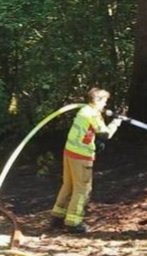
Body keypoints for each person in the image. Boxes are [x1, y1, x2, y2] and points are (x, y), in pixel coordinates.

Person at [50, 88, 122, 234]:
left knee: (68, 185)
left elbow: (89, 131)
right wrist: (116, 122)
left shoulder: (84, 111)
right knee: (82, 188)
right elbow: (106, 134)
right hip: (81, 155)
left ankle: (58, 216)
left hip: (69, 152)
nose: (105, 105)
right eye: (104, 101)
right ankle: (73, 223)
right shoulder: (93, 114)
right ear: (97, 100)